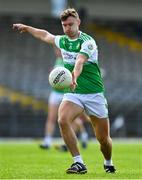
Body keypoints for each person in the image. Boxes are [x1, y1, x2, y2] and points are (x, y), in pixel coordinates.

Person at [13, 8, 116, 174]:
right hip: (74, 93)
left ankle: (108, 161)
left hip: (94, 94)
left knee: (103, 139)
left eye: (70, 24)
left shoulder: (87, 42)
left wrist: (73, 76)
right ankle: (78, 162)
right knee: (62, 120)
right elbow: (45, 35)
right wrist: (27, 28)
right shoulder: (63, 41)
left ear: (78, 23)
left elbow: (80, 62)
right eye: (64, 25)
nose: (67, 28)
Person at [39, 47, 89, 150]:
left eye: (59, 50)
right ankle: (47, 141)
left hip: (68, 93)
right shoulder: (58, 60)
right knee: (51, 117)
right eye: (56, 50)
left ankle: (73, 140)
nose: (57, 52)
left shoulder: (72, 60)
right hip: (56, 93)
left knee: (71, 119)